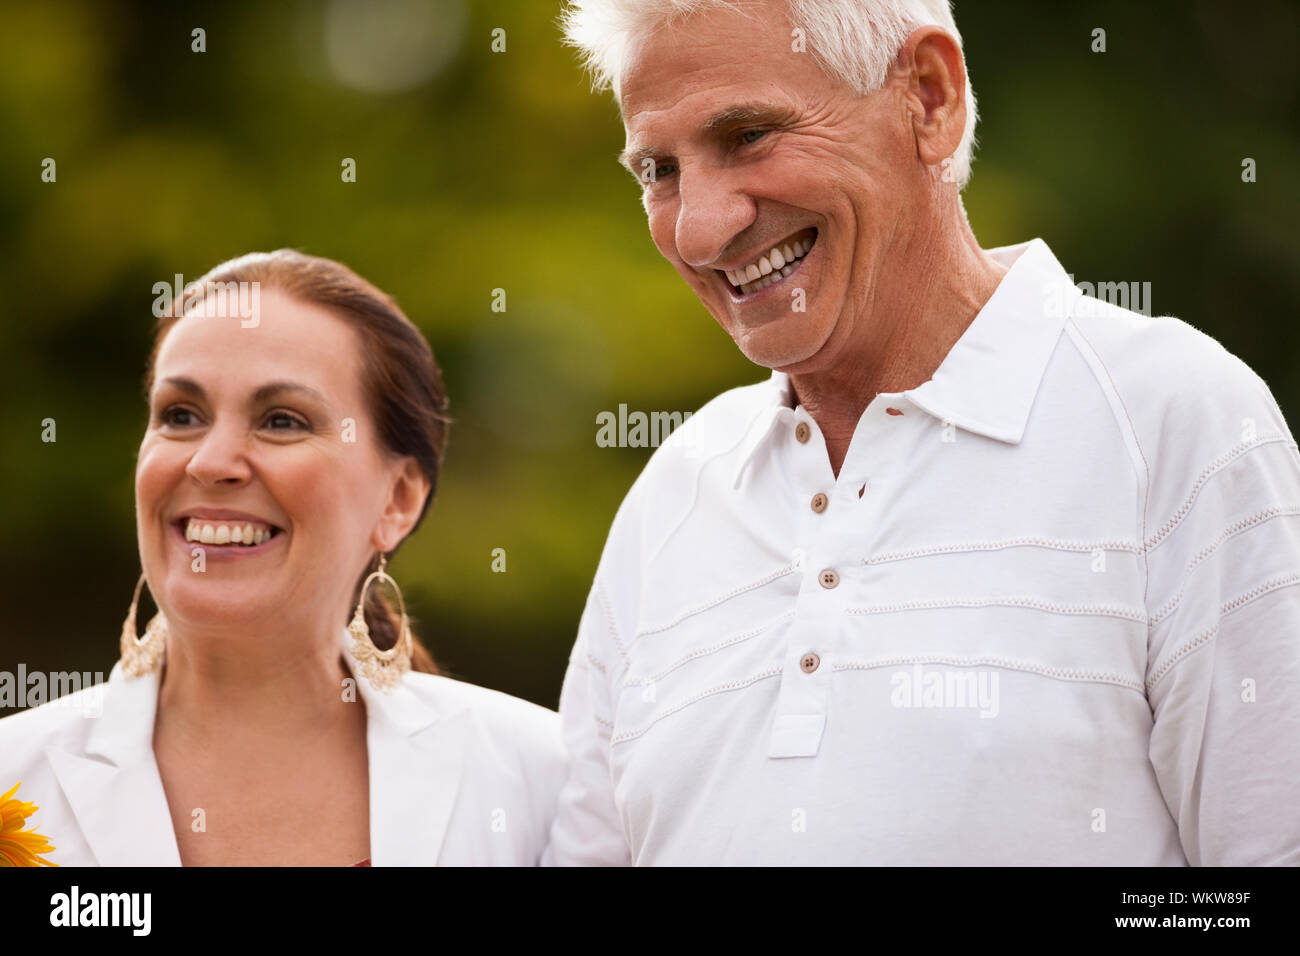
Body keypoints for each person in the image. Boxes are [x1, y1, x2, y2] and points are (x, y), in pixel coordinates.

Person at [548, 0, 1300, 864]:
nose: (699, 226)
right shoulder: (672, 495)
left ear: (929, 98)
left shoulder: (1176, 422)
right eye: (659, 170)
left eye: (750, 134)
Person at [0, 250, 566, 865]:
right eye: (180, 415)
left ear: (397, 499)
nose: (211, 462)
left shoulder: (546, 783)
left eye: (282, 421)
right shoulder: (13, 780)